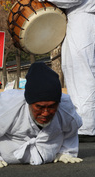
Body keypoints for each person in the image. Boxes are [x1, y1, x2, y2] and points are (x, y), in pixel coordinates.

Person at [0, 62, 83, 168]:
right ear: (29, 102)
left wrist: (66, 151)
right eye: (39, 107)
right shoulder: (9, 105)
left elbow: (72, 130)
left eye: (52, 107)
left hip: (41, 151)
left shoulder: (65, 106)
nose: (46, 113)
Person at [37, 1, 95, 136]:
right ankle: (82, 122)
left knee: (83, 72)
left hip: (83, 21)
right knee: (73, 70)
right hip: (77, 20)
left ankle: (87, 126)